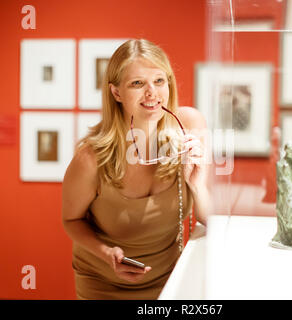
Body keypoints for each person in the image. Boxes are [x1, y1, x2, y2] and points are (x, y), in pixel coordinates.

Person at [62, 39, 209, 300]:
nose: (152, 92)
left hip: (170, 282)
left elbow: (208, 220)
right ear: (116, 93)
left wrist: (197, 184)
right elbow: (71, 221)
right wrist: (107, 254)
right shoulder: (90, 159)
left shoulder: (189, 125)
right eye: (137, 83)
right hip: (104, 286)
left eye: (159, 81)